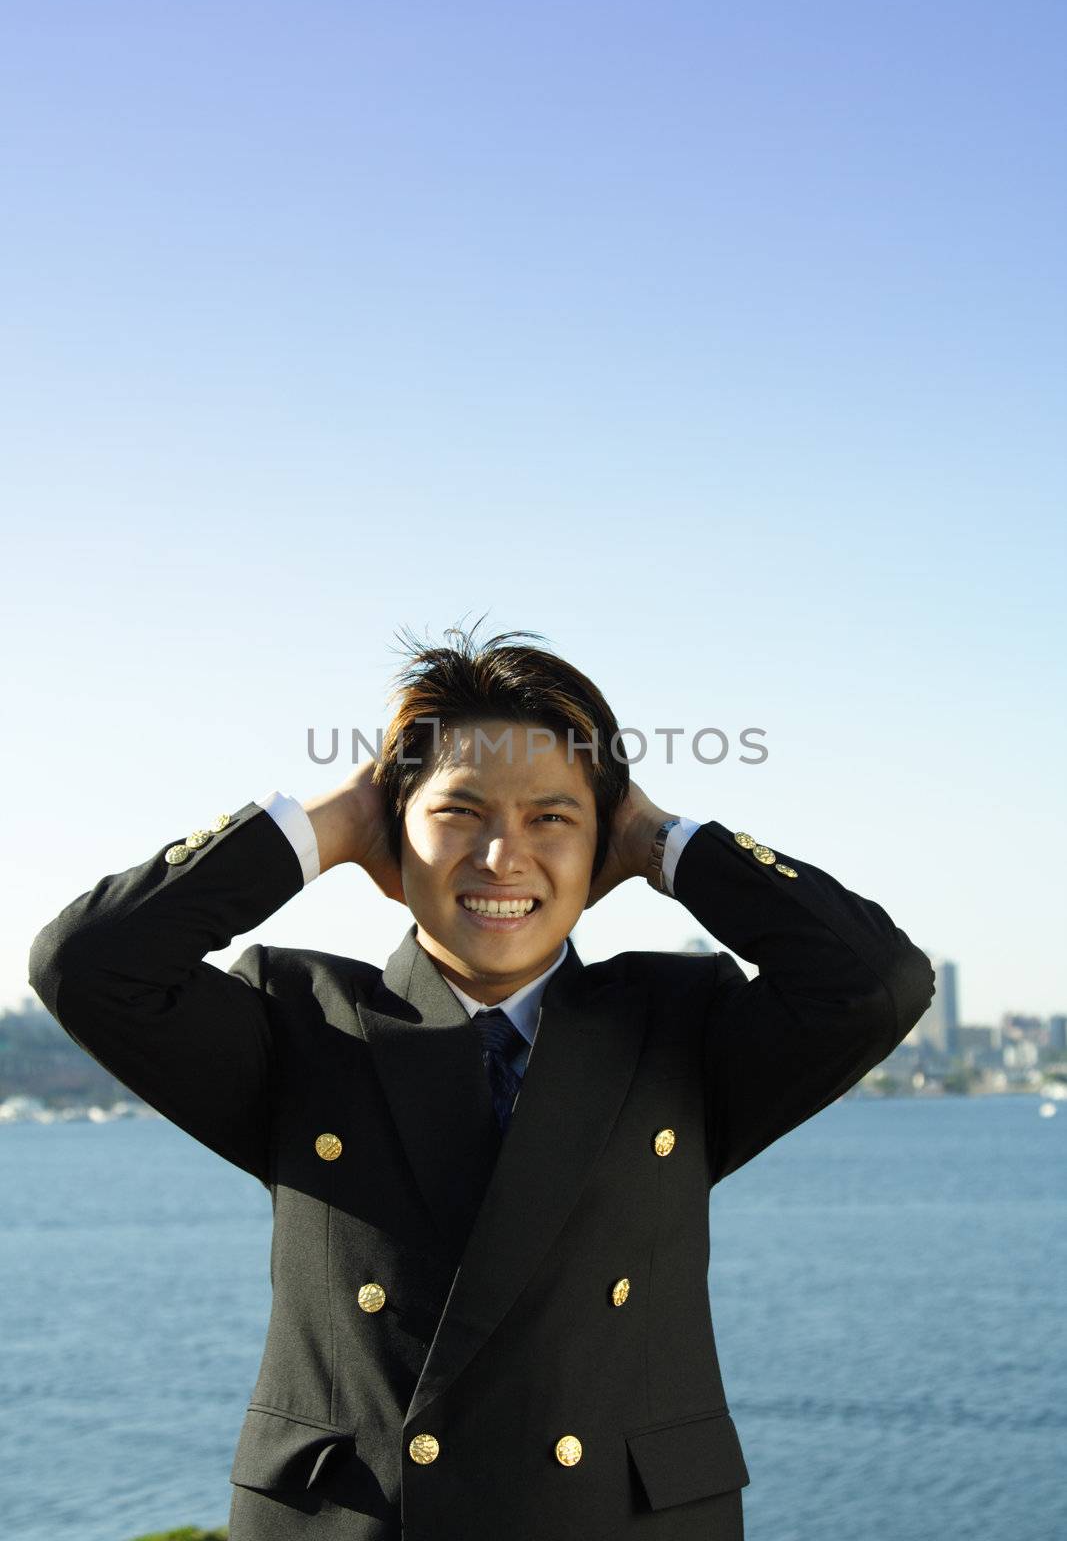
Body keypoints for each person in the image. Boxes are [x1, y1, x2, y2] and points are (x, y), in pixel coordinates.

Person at [28, 623, 935, 1541]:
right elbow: (88, 965)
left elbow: (876, 982)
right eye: (458, 812)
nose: (502, 858)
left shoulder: (678, 1027)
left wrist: (659, 838)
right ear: (394, 833)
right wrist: (325, 823)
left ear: (599, 848)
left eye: (551, 818)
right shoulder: (300, 1022)